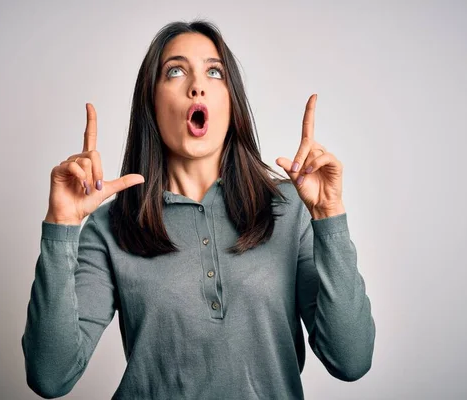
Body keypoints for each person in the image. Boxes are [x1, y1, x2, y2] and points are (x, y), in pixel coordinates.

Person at [21, 19, 375, 399]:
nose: (196, 85)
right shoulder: (111, 225)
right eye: (175, 71)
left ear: (231, 101)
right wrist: (62, 225)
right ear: (152, 103)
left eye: (214, 71)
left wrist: (329, 216)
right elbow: (50, 375)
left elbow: (350, 360)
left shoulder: (291, 210)